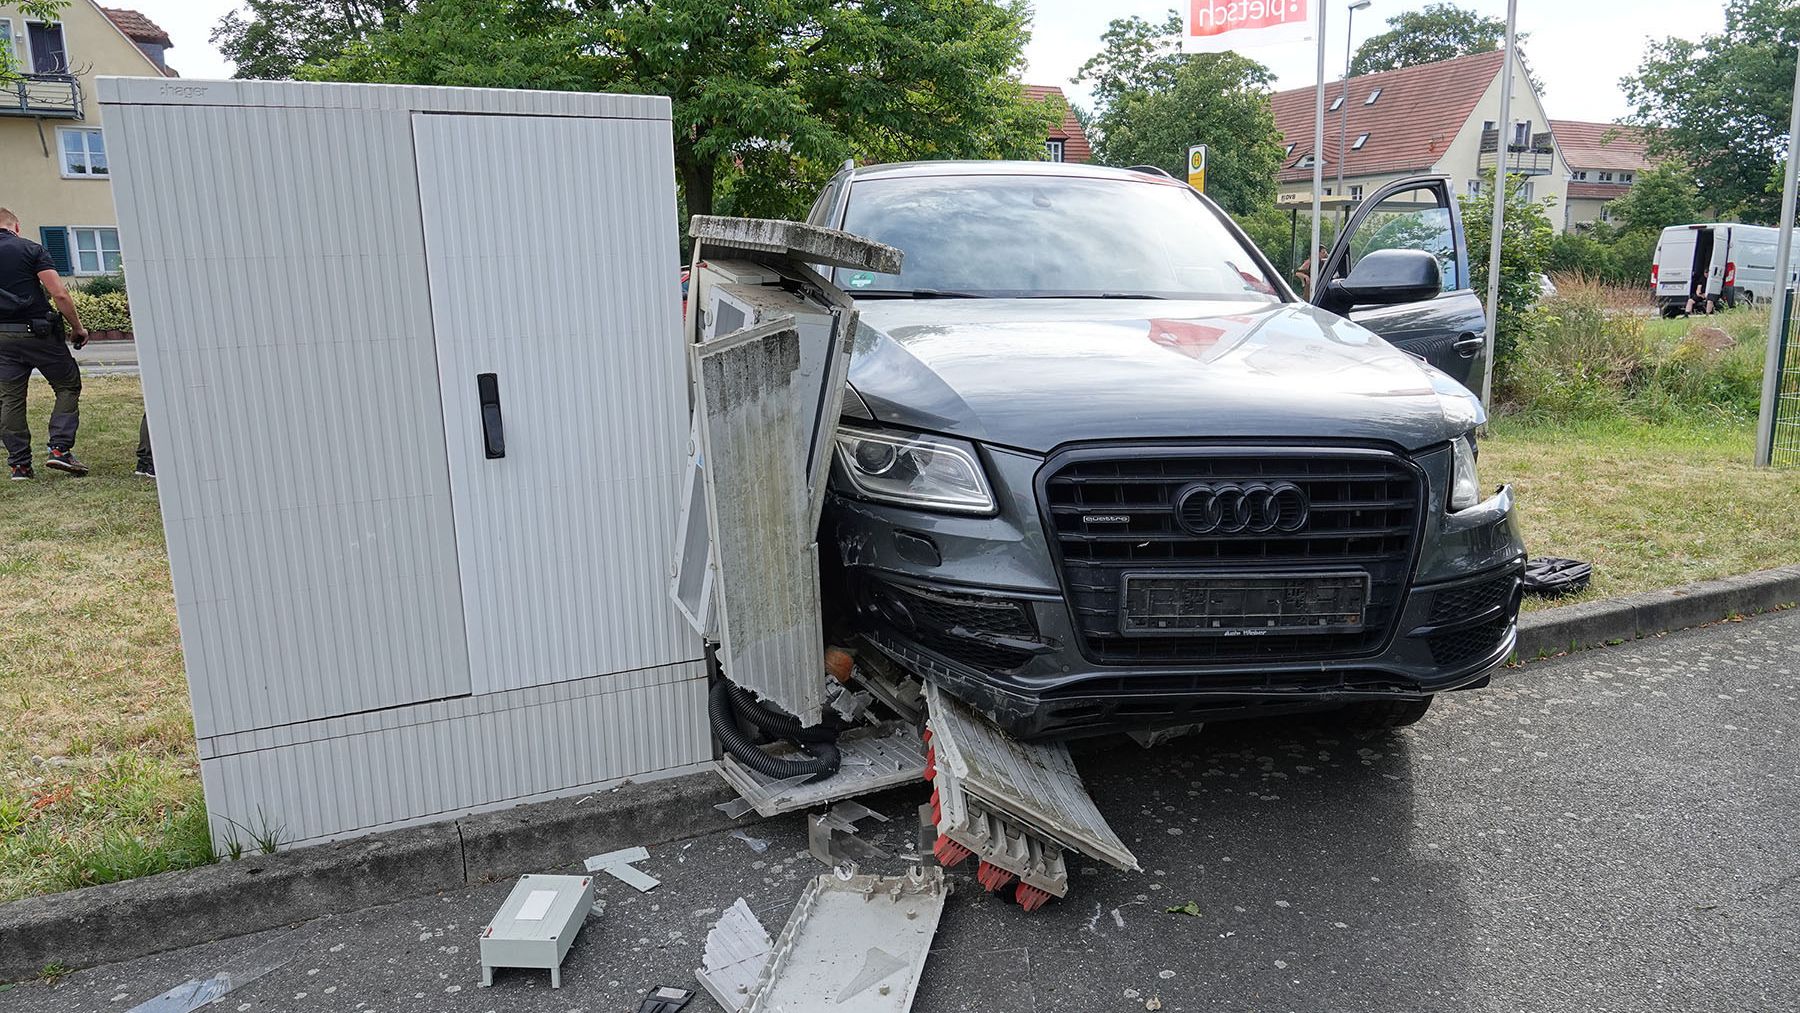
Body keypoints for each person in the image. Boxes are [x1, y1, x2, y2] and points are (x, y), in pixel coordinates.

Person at [0, 207, 88, 480]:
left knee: (10, 399)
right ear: (16, 227)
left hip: (2, 339)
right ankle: (59, 449)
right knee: (67, 384)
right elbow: (59, 294)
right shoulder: (30, 249)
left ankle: (20, 466)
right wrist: (77, 327)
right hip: (39, 334)